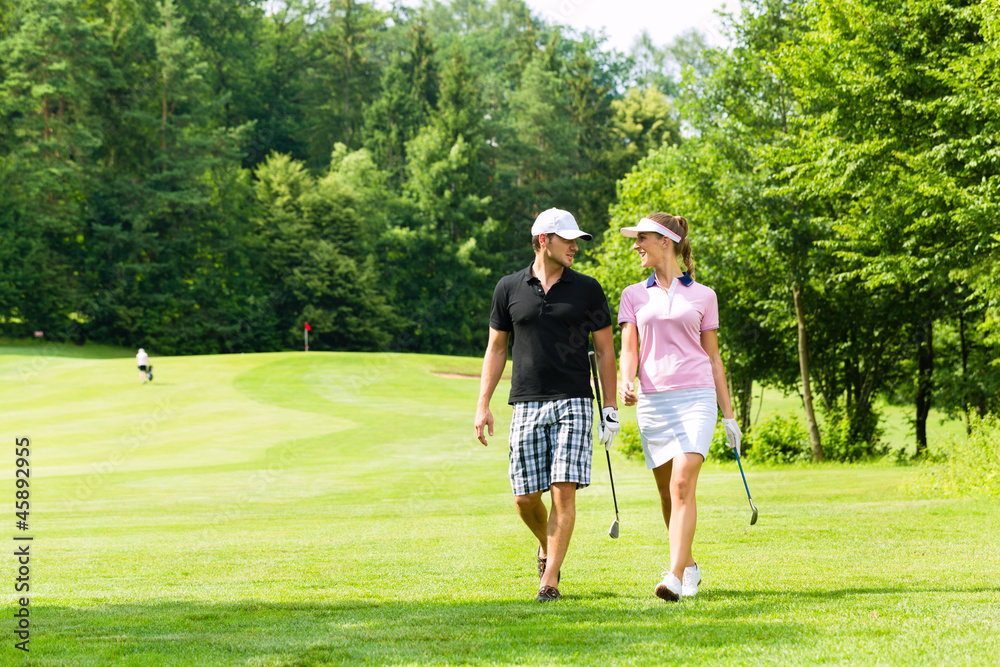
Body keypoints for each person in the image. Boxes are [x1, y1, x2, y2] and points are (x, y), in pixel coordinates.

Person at [475, 208, 620, 603]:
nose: (575, 246)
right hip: (525, 402)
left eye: (577, 240)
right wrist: (482, 403)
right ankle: (548, 543)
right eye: (567, 239)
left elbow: (605, 352)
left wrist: (610, 407)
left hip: (574, 401)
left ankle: (550, 580)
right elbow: (496, 348)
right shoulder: (508, 287)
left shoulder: (588, 289)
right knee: (524, 499)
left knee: (562, 493)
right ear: (544, 240)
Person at [616, 212, 742, 602]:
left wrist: (730, 415)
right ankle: (689, 566)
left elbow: (714, 358)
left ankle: (671, 576)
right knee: (669, 496)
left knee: (682, 483)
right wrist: (627, 380)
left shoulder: (704, 295)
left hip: (696, 398)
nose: (636, 245)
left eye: (642, 239)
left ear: (665, 242)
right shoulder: (633, 294)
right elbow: (629, 349)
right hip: (654, 403)